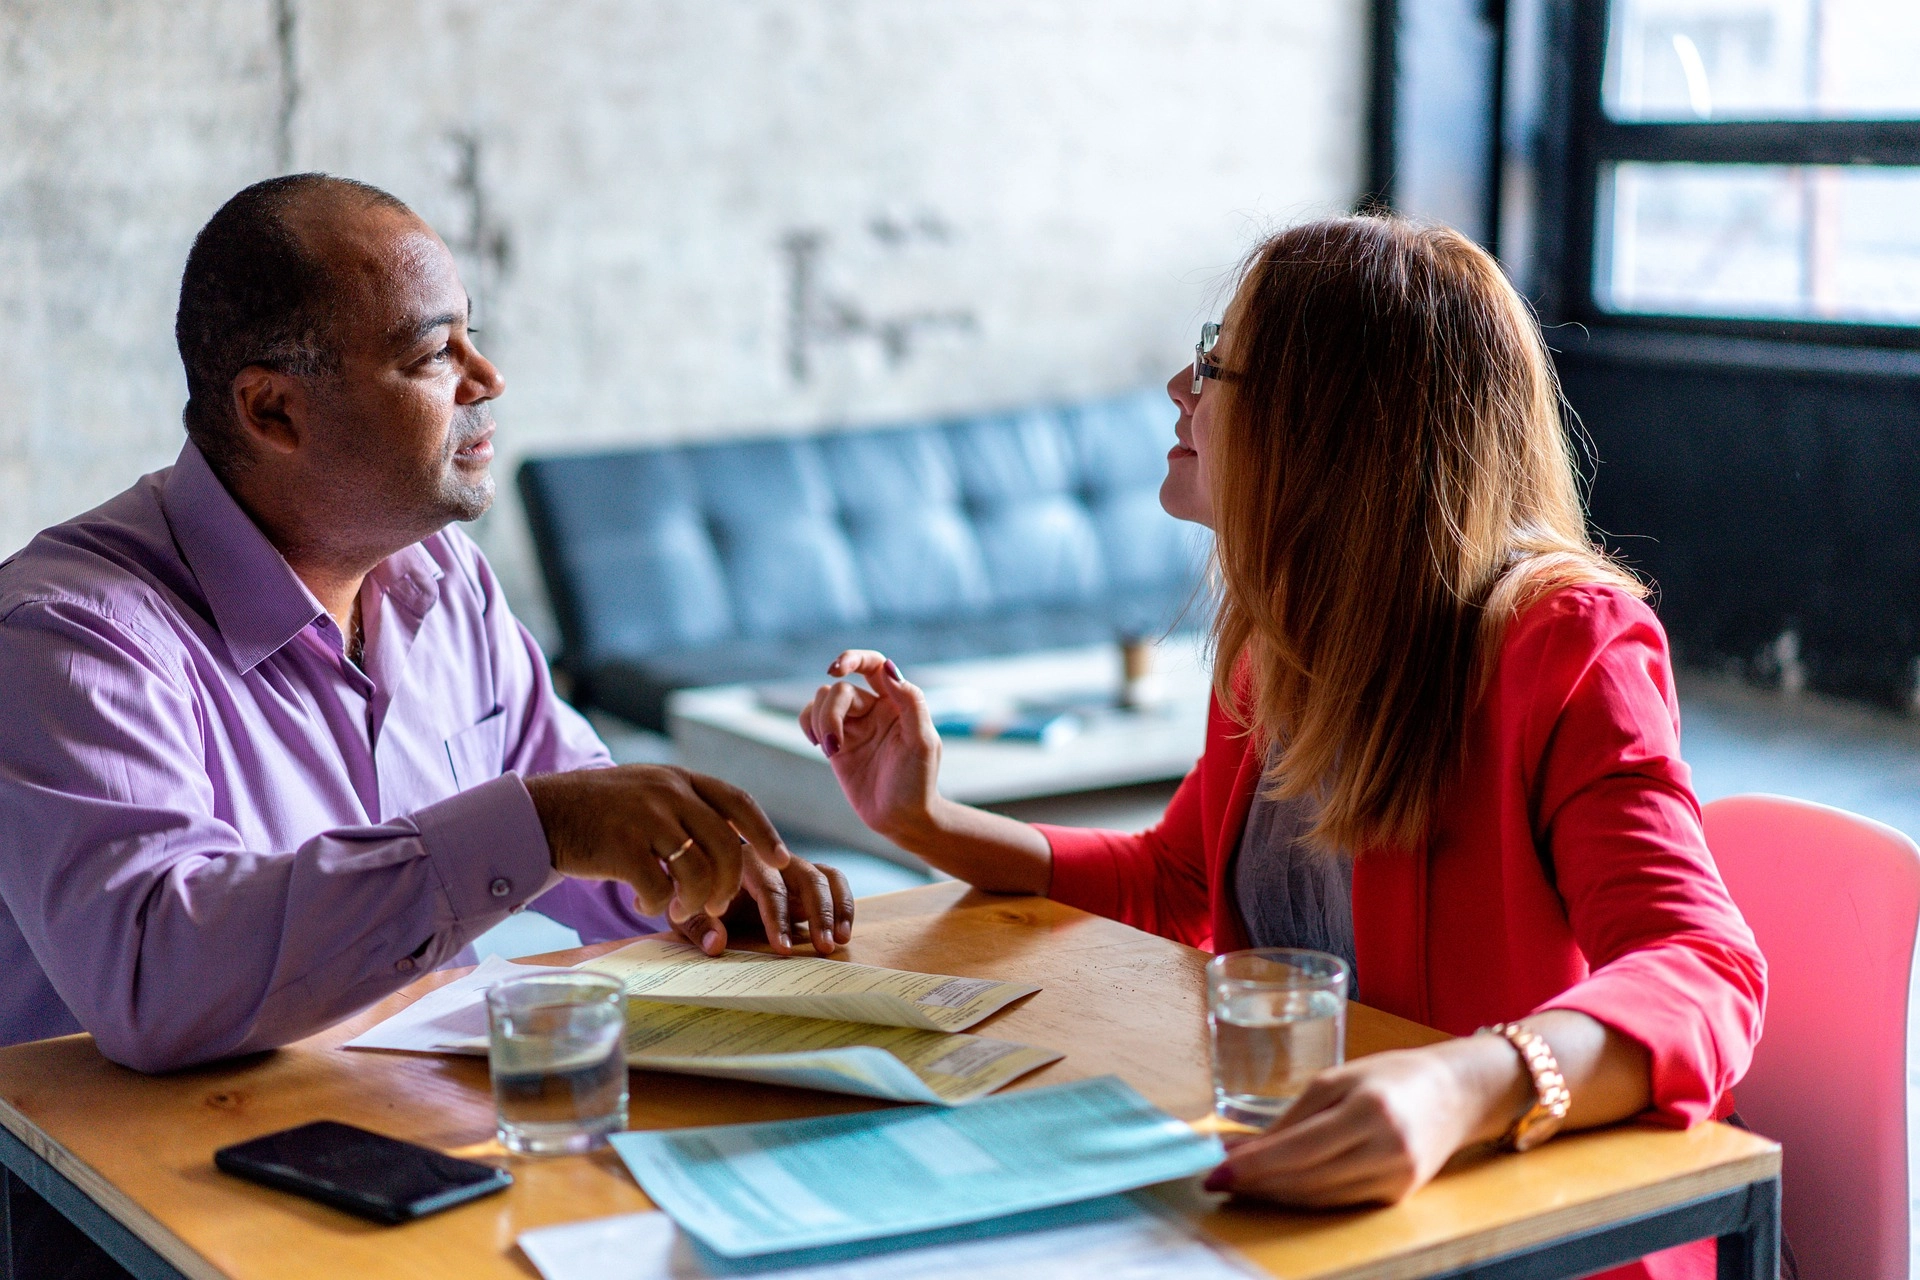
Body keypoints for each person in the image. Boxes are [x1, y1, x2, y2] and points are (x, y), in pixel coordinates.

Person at [798, 218, 1765, 1280]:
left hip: (1517, 1229)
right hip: (1310, 1207)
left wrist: (1462, 1082)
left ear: (1334, 420)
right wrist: (924, 819)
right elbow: (1175, 883)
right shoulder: (1279, 639)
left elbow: (1703, 967)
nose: (1180, 383)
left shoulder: (1566, 641)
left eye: (1216, 360)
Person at [0, 174, 854, 1079]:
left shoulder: (445, 582)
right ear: (273, 410)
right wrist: (544, 828)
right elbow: (156, 976)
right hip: (140, 1189)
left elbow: (588, 828)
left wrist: (709, 883)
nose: (487, 379)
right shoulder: (70, 638)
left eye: (471, 335)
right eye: (431, 355)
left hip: (413, 1125)